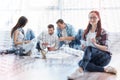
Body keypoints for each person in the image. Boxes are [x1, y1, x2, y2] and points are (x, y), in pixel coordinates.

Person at [68, 10, 117, 79]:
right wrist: (83, 47)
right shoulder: (86, 32)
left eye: (94, 17)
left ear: (98, 19)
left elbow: (106, 48)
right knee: (80, 62)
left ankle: (79, 71)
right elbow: (86, 49)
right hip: (92, 58)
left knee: (89, 48)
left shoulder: (103, 32)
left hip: (104, 57)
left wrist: (95, 44)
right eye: (90, 18)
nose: (92, 19)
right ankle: (106, 70)